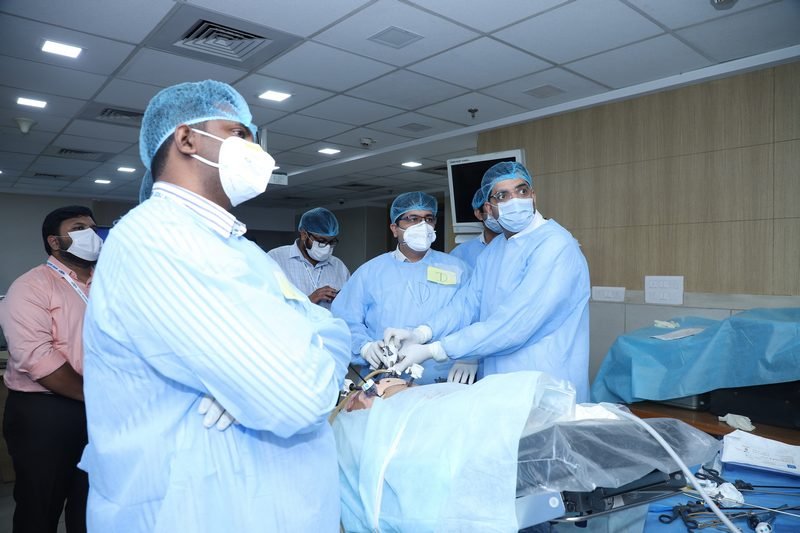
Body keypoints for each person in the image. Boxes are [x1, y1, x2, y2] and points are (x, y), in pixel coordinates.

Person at [79, 80, 351, 532]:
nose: (255, 150)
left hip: (259, 499)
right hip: (191, 509)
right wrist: (280, 366)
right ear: (186, 139)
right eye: (238, 133)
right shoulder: (159, 238)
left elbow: (330, 331)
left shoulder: (234, 246)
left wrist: (257, 378)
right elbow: (300, 394)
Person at [385, 162, 591, 402]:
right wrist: (421, 333)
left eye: (522, 191)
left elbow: (515, 324)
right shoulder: (495, 249)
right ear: (489, 208)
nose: (515, 200)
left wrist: (435, 349)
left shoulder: (555, 245)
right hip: (501, 384)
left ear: (533, 196)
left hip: (547, 384)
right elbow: (466, 304)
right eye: (502, 195)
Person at [0, 205, 103, 533]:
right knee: (40, 506)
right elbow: (37, 359)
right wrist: (95, 395)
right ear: (55, 242)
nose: (91, 234)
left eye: (92, 227)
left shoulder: (107, 284)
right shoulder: (30, 287)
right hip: (46, 411)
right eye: (79, 228)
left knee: (91, 503)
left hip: (101, 407)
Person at [331, 191, 476, 385]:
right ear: (394, 228)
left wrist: (470, 355)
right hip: (386, 379)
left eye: (429, 219)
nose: (422, 226)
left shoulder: (458, 269)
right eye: (412, 219)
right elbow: (343, 319)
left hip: (443, 377)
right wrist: (364, 347)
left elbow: (475, 314)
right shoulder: (370, 272)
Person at [269, 207, 350, 309]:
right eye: (321, 241)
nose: (327, 247)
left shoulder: (339, 267)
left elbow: (349, 303)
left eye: (331, 242)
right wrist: (308, 301)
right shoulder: (276, 259)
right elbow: (266, 303)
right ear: (304, 234)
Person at [449, 188, 503, 267]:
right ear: (479, 214)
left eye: (502, 207)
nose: (497, 213)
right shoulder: (461, 253)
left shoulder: (519, 246)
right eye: (491, 208)